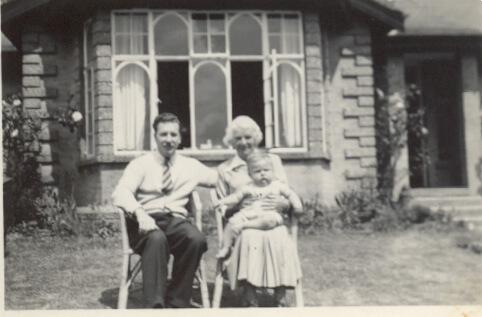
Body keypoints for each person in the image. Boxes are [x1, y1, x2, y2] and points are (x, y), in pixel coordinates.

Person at [112, 112, 217, 308]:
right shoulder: (140, 164)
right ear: (155, 136)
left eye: (173, 135)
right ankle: (155, 306)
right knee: (157, 238)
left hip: (175, 222)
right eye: (164, 135)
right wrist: (140, 213)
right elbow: (120, 193)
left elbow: (219, 179)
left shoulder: (191, 166)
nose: (169, 140)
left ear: (180, 137)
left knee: (196, 239)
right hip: (144, 223)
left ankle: (177, 300)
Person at [215, 116, 302, 307]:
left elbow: (286, 192)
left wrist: (283, 204)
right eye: (238, 138)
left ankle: (280, 292)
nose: (243, 142)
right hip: (244, 222)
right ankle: (249, 292)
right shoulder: (225, 169)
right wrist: (242, 206)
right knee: (249, 236)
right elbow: (223, 207)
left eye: (248, 137)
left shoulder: (272, 161)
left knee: (278, 235)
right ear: (231, 141)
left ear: (256, 138)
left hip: (272, 220)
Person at [214, 152, 303, 259]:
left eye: (266, 170)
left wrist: (297, 206)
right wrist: (223, 201)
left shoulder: (277, 185)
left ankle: (245, 226)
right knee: (232, 223)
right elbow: (235, 197)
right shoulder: (248, 187)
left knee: (269, 221)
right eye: (257, 171)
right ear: (250, 175)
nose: (262, 174)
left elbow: (291, 194)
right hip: (248, 214)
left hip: (270, 213)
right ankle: (226, 247)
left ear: (272, 172)